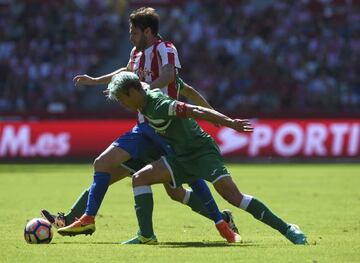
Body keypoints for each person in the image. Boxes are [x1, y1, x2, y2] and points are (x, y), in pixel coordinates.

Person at [51, 7, 240, 242]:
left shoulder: (166, 49)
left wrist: (147, 89)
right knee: (104, 165)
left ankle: (221, 219)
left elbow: (171, 77)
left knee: (179, 189)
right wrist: (95, 80)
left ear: (147, 32)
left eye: (134, 32)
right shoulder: (136, 54)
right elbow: (125, 73)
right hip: (143, 129)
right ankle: (78, 218)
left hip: (168, 129)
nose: (130, 37)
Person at [106, 71, 307, 245]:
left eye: (123, 100)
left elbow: (195, 110)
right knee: (140, 178)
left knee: (233, 197)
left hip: (202, 152)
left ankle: (288, 229)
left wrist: (229, 123)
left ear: (132, 92)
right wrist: (96, 80)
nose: (124, 105)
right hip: (180, 156)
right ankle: (146, 236)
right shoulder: (140, 90)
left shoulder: (157, 104)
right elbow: (132, 75)